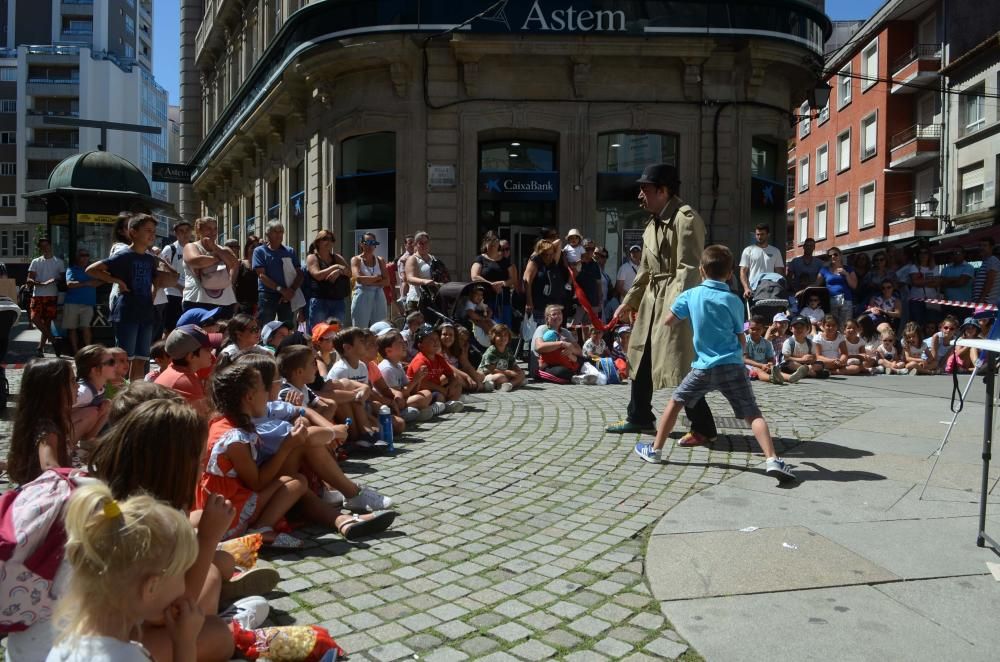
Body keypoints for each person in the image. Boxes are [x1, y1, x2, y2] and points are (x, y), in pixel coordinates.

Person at [632, 245, 796, 481]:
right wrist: (740, 356)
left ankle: (655, 450)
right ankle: (772, 459)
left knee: (676, 401)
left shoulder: (690, 295)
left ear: (701, 270)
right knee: (752, 414)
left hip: (704, 366)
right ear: (730, 274)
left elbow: (668, 321)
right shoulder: (734, 301)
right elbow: (740, 335)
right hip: (732, 365)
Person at [607, 163, 717, 444]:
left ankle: (703, 427)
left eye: (645, 189)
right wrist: (628, 303)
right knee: (640, 357)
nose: (640, 195)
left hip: (673, 300)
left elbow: (689, 268)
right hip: (652, 301)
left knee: (678, 365)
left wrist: (677, 308)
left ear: (663, 190)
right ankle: (639, 416)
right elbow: (645, 272)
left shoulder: (685, 218)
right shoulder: (652, 223)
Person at [46, 483, 201, 662]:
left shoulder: (64, 646)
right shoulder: (128, 658)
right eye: (182, 573)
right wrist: (185, 644)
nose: (183, 588)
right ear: (152, 587)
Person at [87, 214, 177, 381]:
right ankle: (116, 395)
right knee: (122, 359)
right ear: (133, 232)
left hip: (146, 312)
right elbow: (92, 269)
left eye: (154, 231)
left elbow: (169, 278)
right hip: (127, 313)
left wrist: (155, 287)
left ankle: (134, 395)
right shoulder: (124, 255)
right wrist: (117, 281)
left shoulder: (150, 259)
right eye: (148, 230)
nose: (152, 235)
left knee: (141, 359)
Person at [5, 357, 75, 484]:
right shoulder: (48, 428)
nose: (77, 385)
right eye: (72, 381)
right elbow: (49, 465)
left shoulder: (43, 419)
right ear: (54, 390)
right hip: (44, 493)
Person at [155, 325, 221, 415]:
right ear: (191, 356)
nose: (212, 352)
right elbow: (204, 419)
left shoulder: (177, 370)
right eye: (208, 349)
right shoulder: (184, 381)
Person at [182, 217, 238, 317]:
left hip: (225, 302)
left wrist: (214, 247)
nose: (213, 232)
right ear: (199, 230)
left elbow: (233, 263)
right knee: (198, 332)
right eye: (208, 228)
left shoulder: (224, 249)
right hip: (197, 301)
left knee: (222, 332)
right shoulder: (190, 246)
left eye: (215, 228)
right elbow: (196, 261)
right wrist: (218, 258)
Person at [378, 330, 440, 418]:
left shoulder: (398, 365)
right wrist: (415, 379)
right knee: (420, 399)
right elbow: (397, 397)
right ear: (388, 351)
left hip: (403, 399)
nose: (404, 345)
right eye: (400, 342)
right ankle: (404, 414)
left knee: (426, 393)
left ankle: (416, 411)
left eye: (404, 342)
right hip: (392, 404)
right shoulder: (387, 368)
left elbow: (412, 391)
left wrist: (419, 377)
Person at [252, 221, 303, 325]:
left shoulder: (290, 251)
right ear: (267, 234)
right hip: (267, 296)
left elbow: (300, 274)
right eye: (275, 231)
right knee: (266, 327)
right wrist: (282, 290)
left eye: (281, 232)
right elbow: (262, 276)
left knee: (287, 327)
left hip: (287, 296)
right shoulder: (259, 251)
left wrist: (291, 290)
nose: (279, 234)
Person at [407, 327, 465, 409]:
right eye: (431, 339)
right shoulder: (420, 360)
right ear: (421, 345)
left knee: (457, 384)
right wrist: (441, 389)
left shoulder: (439, 358)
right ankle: (436, 408)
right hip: (421, 392)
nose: (436, 342)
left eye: (437, 339)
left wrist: (451, 385)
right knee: (439, 396)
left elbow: (451, 374)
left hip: (436, 388)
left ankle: (450, 403)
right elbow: (423, 383)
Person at [531, 304, 589, 384]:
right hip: (543, 365)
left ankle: (580, 376)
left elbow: (579, 351)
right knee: (562, 371)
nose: (557, 316)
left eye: (559, 314)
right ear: (547, 318)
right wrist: (562, 343)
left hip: (562, 362)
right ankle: (576, 376)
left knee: (586, 360)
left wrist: (570, 350)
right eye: (554, 314)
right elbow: (539, 347)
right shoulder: (542, 329)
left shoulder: (565, 332)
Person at [27, 237, 65, 357]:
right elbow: (29, 279)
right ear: (40, 249)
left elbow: (63, 279)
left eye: (46, 245)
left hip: (51, 295)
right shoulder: (36, 261)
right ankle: (54, 341)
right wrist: (41, 283)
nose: (45, 248)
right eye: (42, 246)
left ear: (50, 246)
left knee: (47, 323)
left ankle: (40, 349)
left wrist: (56, 279)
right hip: (37, 294)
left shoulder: (59, 262)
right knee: (34, 318)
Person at [305, 229, 350, 331]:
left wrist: (339, 271)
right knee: (318, 333)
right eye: (325, 239)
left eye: (331, 239)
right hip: (320, 301)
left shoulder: (337, 257)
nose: (329, 242)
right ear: (318, 242)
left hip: (338, 301)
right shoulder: (312, 257)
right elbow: (317, 275)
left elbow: (349, 272)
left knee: (337, 333)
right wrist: (336, 267)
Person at [71, 345, 115, 446]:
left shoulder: (99, 387)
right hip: (62, 429)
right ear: (95, 370)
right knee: (91, 412)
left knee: (107, 404)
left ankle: (87, 441)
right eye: (111, 362)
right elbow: (57, 410)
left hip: (75, 426)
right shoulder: (84, 391)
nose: (115, 365)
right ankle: (68, 446)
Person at [470, 232, 517, 326]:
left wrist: (502, 284)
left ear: (498, 243)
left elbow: (513, 279)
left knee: (505, 330)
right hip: (485, 302)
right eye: (490, 241)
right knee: (489, 329)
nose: (493, 244)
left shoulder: (505, 261)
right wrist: (490, 285)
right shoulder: (480, 259)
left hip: (503, 302)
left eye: (495, 241)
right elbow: (474, 276)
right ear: (485, 243)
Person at [523, 239, 570, 325]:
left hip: (553, 306)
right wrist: (529, 302)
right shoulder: (535, 263)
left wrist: (547, 246)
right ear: (540, 254)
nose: (549, 257)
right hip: (539, 306)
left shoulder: (553, 262)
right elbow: (527, 282)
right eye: (546, 254)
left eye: (551, 254)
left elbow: (559, 242)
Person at [350, 232, 389, 328]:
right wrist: (376, 278)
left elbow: (387, 281)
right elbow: (358, 279)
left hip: (379, 295)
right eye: (367, 242)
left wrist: (368, 281)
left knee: (380, 327)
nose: (370, 245)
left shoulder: (380, 260)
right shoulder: (356, 260)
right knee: (360, 329)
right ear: (361, 244)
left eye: (372, 242)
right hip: (362, 295)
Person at [63, 248, 99, 353]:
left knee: (86, 327)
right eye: (82, 255)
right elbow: (69, 284)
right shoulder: (71, 269)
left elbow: (102, 281)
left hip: (88, 303)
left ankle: (87, 351)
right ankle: (75, 351)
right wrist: (88, 283)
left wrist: (79, 284)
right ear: (77, 258)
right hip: (72, 302)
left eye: (86, 255)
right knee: (72, 328)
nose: (84, 257)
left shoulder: (93, 270)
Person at [159, 220, 192, 333]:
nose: (185, 234)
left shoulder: (195, 249)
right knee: (170, 329)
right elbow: (162, 272)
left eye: (187, 231)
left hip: (190, 295)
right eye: (181, 231)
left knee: (186, 329)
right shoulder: (170, 249)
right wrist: (179, 287)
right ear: (176, 234)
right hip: (173, 295)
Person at [739, 223, 784, 299]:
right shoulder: (748, 250)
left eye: (762, 234)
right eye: (757, 234)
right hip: (753, 289)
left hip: (771, 290)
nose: (759, 237)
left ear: (768, 235)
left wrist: (779, 289)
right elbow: (743, 271)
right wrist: (746, 288)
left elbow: (779, 273)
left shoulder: (775, 251)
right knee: (753, 310)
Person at [899, 246, 940, 326]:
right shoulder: (913, 267)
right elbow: (915, 282)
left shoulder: (934, 267)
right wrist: (931, 280)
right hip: (916, 300)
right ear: (917, 255)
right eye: (920, 253)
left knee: (931, 323)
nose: (923, 255)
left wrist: (922, 281)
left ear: (929, 255)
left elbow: (937, 283)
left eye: (925, 252)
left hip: (932, 299)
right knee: (917, 324)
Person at [817, 247, 856, 329]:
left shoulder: (848, 269)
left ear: (840, 256)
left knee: (846, 325)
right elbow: (816, 283)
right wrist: (804, 289)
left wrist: (846, 274)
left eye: (835, 254)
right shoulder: (824, 269)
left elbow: (854, 285)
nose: (832, 257)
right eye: (829, 255)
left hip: (846, 300)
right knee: (832, 324)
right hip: (831, 300)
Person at [478, 324, 524, 392]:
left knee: (522, 374)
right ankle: (491, 383)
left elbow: (514, 364)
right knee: (501, 377)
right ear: (494, 337)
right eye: (499, 335)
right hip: (487, 374)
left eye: (505, 335)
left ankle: (509, 385)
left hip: (504, 374)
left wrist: (518, 371)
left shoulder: (508, 350)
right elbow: (491, 369)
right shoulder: (492, 351)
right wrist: (509, 373)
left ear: (508, 337)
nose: (503, 338)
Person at [404, 231, 442, 310]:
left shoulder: (433, 259)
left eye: (426, 242)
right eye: (421, 243)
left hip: (432, 299)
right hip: (416, 299)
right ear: (416, 244)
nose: (424, 245)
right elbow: (410, 278)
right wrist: (424, 281)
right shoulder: (412, 259)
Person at [574, 238, 603, 325]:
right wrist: (579, 263)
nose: (590, 251)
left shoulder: (595, 264)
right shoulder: (576, 261)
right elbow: (572, 278)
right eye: (587, 249)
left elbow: (598, 284)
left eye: (592, 249)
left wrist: (599, 301)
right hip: (578, 302)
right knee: (574, 327)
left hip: (593, 302)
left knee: (590, 328)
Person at [939, 248, 975, 315]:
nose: (955, 255)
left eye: (958, 253)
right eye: (953, 253)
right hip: (947, 305)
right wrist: (957, 279)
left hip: (964, 305)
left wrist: (947, 282)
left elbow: (961, 282)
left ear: (964, 254)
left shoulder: (969, 267)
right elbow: (941, 283)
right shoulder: (946, 269)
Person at [233, 236, 261, 316]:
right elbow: (233, 284)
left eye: (257, 247)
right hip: (243, 306)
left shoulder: (263, 266)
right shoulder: (239, 264)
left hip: (259, 305)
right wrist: (235, 303)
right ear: (247, 249)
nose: (255, 250)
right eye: (252, 247)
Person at [973, 238, 1000, 305]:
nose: (981, 248)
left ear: (991, 247)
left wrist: (982, 298)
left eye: (985, 245)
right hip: (983, 302)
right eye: (980, 245)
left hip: (987, 303)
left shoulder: (992, 260)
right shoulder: (986, 262)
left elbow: (990, 281)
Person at [396, 234, 415, 302]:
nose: (412, 245)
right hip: (408, 294)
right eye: (410, 243)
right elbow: (404, 278)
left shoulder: (416, 256)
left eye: (414, 243)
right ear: (405, 245)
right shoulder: (403, 259)